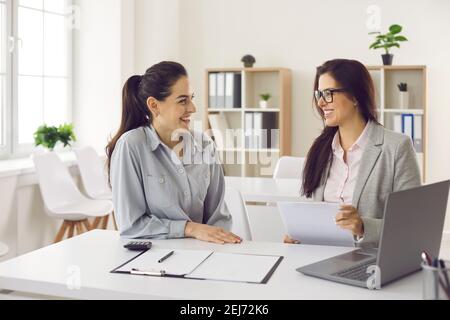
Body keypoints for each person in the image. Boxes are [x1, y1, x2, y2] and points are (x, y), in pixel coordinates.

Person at [285, 59, 421, 247]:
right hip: (319, 258)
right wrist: (300, 234)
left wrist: (363, 227)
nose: (321, 102)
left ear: (356, 96)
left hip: (370, 264)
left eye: (328, 93)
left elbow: (413, 225)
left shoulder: (396, 147)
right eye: (319, 94)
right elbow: (312, 213)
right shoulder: (320, 150)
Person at [107, 61, 242, 244]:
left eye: (191, 98)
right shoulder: (131, 146)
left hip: (203, 254)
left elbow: (218, 219)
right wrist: (190, 228)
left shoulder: (205, 145)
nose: (193, 108)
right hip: (152, 259)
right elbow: (131, 225)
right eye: (182, 100)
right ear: (154, 105)